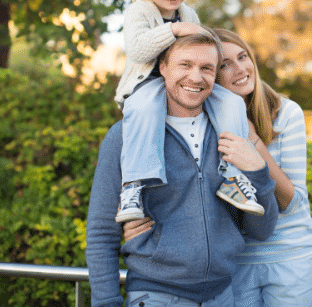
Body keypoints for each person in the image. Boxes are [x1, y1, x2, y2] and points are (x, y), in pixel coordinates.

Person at [125, 29, 312, 306]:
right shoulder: (200, 119)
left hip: (287, 256)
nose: (240, 69)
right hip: (234, 262)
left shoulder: (286, 113)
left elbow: (291, 201)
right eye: (225, 65)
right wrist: (144, 229)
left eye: (243, 57)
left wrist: (251, 141)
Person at [86, 31, 279, 307]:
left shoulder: (231, 136)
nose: (196, 77)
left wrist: (258, 172)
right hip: (155, 296)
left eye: (206, 68)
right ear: (163, 68)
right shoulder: (125, 136)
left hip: (223, 296)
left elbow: (262, 229)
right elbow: (101, 233)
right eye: (185, 65)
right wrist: (106, 303)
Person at [114, 0, 264, 223]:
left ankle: (232, 177)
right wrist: (176, 30)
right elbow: (137, 49)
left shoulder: (189, 13)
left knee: (231, 103)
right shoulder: (140, 11)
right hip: (147, 84)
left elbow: (202, 47)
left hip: (182, 83)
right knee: (145, 108)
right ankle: (133, 185)